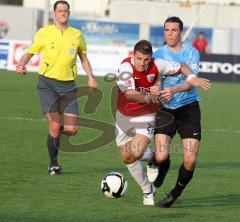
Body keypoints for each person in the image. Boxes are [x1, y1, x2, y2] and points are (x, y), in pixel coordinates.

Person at [116, 39, 210, 206]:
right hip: (123, 115)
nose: (142, 63)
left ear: (151, 58)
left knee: (136, 152)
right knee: (126, 156)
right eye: (138, 59)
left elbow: (181, 65)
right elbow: (130, 94)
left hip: (146, 115)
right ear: (133, 55)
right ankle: (148, 189)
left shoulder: (158, 64)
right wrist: (150, 96)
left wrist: (191, 77)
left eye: (146, 60)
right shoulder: (125, 67)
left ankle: (152, 164)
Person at [16, 0, 97, 175]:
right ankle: (53, 164)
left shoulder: (77, 35)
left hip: (69, 86)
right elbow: (29, 53)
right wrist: (21, 64)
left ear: (69, 13)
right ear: (54, 13)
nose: (62, 13)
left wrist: (91, 77)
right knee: (54, 126)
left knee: (72, 129)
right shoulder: (44, 33)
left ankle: (54, 134)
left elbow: (83, 58)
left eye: (65, 11)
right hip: (47, 84)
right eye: (59, 10)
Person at [151, 16, 207, 208]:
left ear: (180, 32)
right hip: (166, 109)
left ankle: (173, 195)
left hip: (189, 109)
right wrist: (157, 88)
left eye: (174, 30)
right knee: (160, 157)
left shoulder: (192, 53)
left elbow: (191, 81)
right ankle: (163, 168)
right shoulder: (158, 54)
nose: (170, 34)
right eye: (167, 30)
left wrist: (173, 90)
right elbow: (156, 79)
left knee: (190, 160)